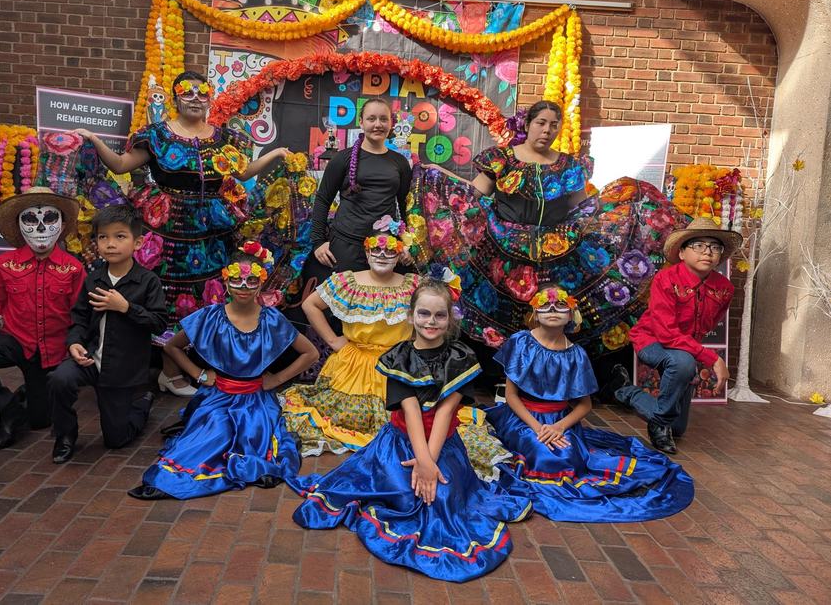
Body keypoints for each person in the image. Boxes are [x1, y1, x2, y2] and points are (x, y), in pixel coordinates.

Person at [291, 276, 531, 583]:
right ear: (410, 316)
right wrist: (423, 463)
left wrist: (429, 463)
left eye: (439, 315)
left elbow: (445, 413)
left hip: (443, 445)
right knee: (406, 496)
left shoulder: (461, 358)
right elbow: (411, 411)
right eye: (424, 314)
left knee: (439, 499)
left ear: (450, 319)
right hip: (399, 443)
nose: (431, 321)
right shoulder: (397, 358)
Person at [409, 100, 687, 362]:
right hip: (504, 246)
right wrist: (439, 172)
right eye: (541, 122)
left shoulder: (569, 165)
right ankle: (503, 370)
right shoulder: (502, 158)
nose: (547, 130)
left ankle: (546, 366)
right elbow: (475, 193)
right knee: (505, 308)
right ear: (528, 124)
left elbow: (584, 209)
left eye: (554, 125)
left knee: (548, 307)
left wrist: (620, 203)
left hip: (557, 251)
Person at [77, 70, 291, 397]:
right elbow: (121, 165)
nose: (194, 98)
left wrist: (275, 155)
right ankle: (168, 369)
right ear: (176, 97)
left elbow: (243, 172)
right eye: (186, 92)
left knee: (208, 293)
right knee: (168, 295)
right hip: (167, 229)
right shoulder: (158, 135)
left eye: (201, 92)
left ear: (210, 97)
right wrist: (93, 140)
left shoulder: (223, 138)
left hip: (210, 231)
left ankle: (196, 364)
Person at [486, 285, 694, 522]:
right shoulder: (520, 342)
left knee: (565, 454)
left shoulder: (576, 355)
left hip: (560, 422)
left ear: (571, 314)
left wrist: (558, 427)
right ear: (534, 313)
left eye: (560, 305)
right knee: (541, 452)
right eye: (545, 305)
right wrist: (537, 428)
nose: (552, 309)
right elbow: (511, 396)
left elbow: (585, 405)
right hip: (523, 418)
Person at [128, 242, 319, 500]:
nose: (243, 286)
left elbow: (311, 353)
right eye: (236, 279)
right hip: (219, 396)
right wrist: (199, 375)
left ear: (262, 282)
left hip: (256, 401)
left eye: (251, 280)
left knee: (253, 438)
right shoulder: (210, 316)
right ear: (225, 280)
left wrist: (277, 379)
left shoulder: (272, 319)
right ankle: (176, 477)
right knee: (217, 431)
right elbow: (172, 347)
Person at [0, 187, 84, 450]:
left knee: (39, 421)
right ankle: (8, 409)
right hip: (16, 342)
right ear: (19, 224)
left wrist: (77, 345)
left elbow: (80, 315)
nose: (39, 227)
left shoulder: (73, 268)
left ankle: (27, 396)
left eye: (48, 218)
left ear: (60, 223)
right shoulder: (3, 264)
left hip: (52, 351)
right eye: (30, 219)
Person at [282, 218, 419, 455]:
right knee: (349, 416)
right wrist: (334, 341)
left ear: (400, 254)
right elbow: (310, 305)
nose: (382, 254)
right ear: (366, 251)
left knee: (405, 419)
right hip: (354, 365)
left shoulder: (414, 285)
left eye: (390, 249)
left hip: (399, 366)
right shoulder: (349, 281)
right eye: (376, 248)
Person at [47, 204, 168, 464]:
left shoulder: (148, 282)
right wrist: (75, 343)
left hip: (122, 370)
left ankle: (142, 403)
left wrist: (126, 308)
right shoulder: (93, 280)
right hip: (90, 359)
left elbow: (159, 323)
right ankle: (65, 436)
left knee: (116, 440)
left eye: (119, 236)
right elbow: (78, 317)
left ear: (138, 243)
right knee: (60, 379)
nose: (110, 244)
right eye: (103, 237)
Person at [616, 217, 740, 454]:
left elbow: (707, 325)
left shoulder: (725, 288)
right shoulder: (666, 279)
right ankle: (632, 395)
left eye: (715, 247)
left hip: (684, 348)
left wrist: (694, 353)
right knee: (683, 362)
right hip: (652, 341)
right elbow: (666, 334)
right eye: (699, 246)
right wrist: (712, 359)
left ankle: (627, 392)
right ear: (682, 252)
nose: (708, 252)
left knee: (678, 428)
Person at [309, 97, 413, 275]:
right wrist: (318, 241)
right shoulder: (342, 159)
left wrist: (408, 244)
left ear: (391, 123)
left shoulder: (400, 162)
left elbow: (405, 206)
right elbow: (323, 199)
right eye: (371, 119)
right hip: (345, 245)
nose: (378, 124)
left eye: (383, 119)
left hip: (385, 248)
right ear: (361, 122)